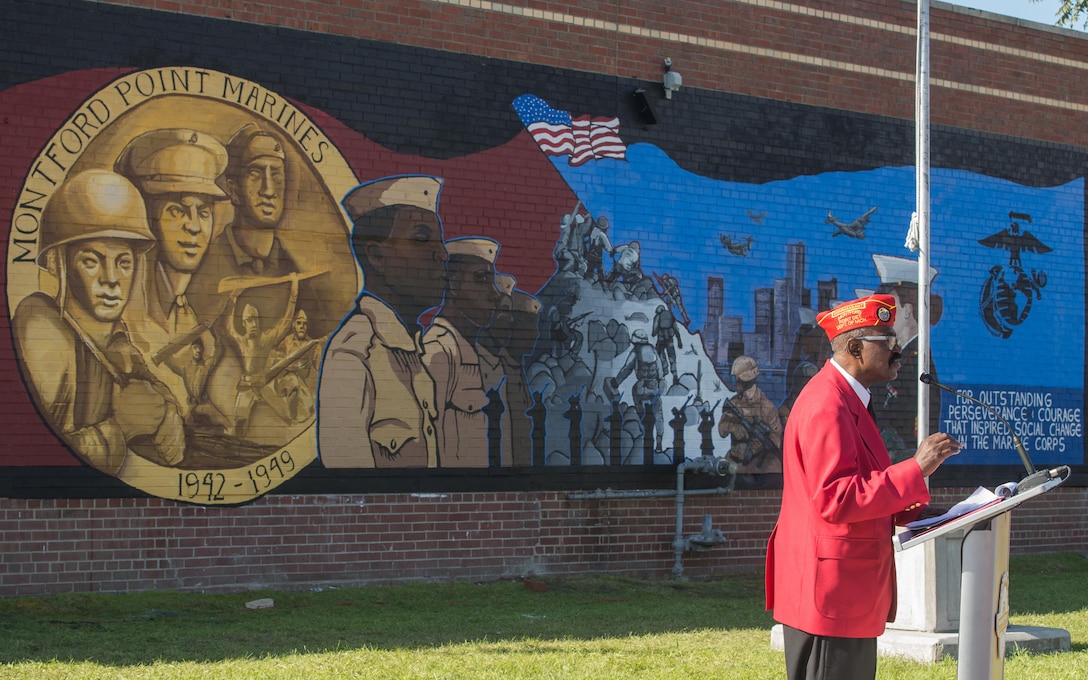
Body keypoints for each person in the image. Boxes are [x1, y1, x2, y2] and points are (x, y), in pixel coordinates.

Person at [765, 294, 962, 680]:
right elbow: (836, 498)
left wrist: (932, 514)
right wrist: (915, 470)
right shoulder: (828, 404)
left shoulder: (848, 398)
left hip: (842, 590)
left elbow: (861, 483)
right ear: (855, 347)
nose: (896, 350)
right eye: (886, 341)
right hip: (830, 593)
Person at [12, 170, 186, 475]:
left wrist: (166, 413)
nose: (111, 280)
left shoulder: (117, 343)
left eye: (124, 263)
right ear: (58, 263)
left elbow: (154, 397)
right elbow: (43, 456)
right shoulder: (41, 328)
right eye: (91, 261)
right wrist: (120, 428)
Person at [317, 174, 447, 468]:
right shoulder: (355, 353)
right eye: (422, 239)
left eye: (439, 242)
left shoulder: (413, 349)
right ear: (376, 254)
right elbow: (348, 483)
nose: (442, 253)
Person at [422, 237, 502, 467]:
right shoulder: (438, 351)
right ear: (455, 285)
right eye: (482, 280)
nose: (494, 294)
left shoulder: (466, 349)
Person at [868, 254, 943, 461]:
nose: (883, 319)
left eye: (889, 311)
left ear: (908, 310)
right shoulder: (903, 356)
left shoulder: (915, 363)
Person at [717, 355, 782, 475]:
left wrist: (756, 446)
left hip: (760, 466)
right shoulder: (734, 404)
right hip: (735, 462)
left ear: (744, 381)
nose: (735, 384)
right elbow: (722, 430)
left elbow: (775, 439)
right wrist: (738, 429)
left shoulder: (766, 407)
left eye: (737, 380)